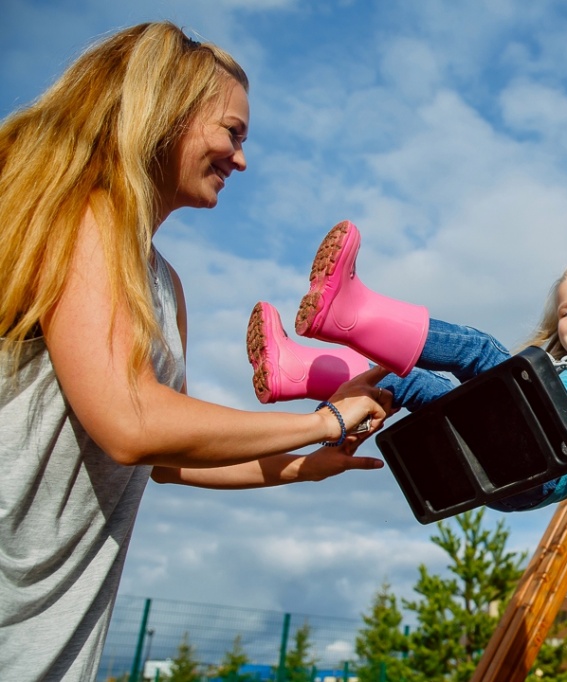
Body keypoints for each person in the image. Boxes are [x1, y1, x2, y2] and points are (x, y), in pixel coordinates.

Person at [0, 23, 391, 681]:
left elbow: (168, 458)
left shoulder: (164, 284)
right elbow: (130, 423)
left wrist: (302, 465)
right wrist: (324, 420)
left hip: (51, 638)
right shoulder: (84, 217)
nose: (241, 159)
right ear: (167, 113)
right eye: (232, 133)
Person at [248, 220, 567, 511]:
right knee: (408, 381)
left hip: (540, 466)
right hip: (501, 461)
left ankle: (349, 313)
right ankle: (299, 371)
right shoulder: (562, 367)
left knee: (478, 350)